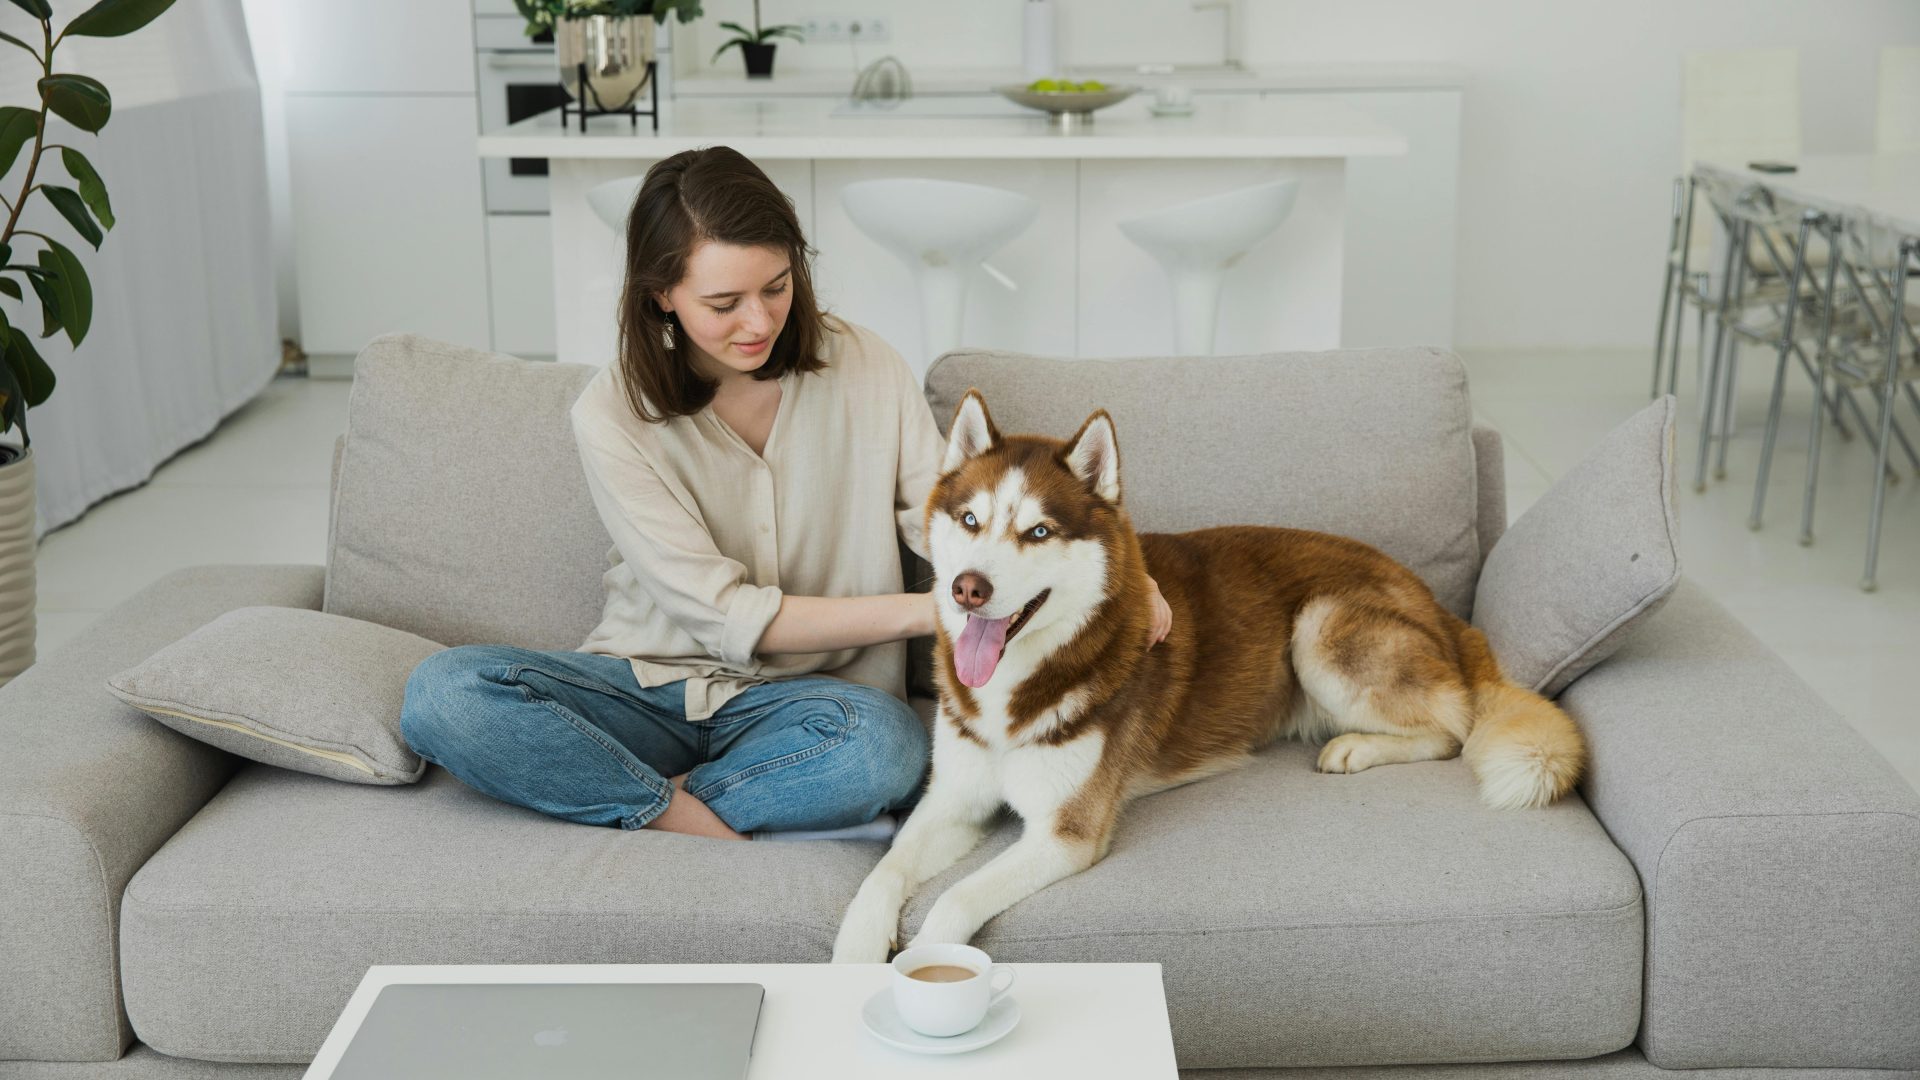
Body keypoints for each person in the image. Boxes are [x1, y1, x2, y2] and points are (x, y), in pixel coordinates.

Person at [400, 146, 1169, 841]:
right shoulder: (610, 413)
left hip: (820, 706)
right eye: (723, 303)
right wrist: (938, 610)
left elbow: (952, 520)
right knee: (443, 694)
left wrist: (1120, 581)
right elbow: (721, 613)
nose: (760, 320)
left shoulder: (864, 366)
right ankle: (675, 810)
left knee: (886, 749)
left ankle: (621, 797)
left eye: (776, 287)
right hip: (647, 689)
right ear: (662, 295)